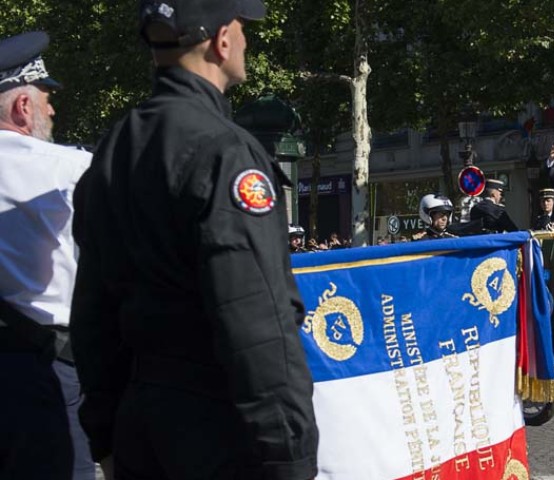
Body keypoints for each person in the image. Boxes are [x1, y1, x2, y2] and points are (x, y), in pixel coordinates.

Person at [69, 2, 319, 479]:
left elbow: (92, 317)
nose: (246, 39)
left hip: (140, 424)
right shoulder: (226, 152)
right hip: (218, 430)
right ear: (222, 40)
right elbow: (256, 322)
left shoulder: (113, 150)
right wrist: (290, 456)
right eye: (243, 27)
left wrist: (104, 432)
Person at [0, 31, 96, 480]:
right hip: (45, 369)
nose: (51, 108)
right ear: (23, 107)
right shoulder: (69, 168)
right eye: (45, 98)